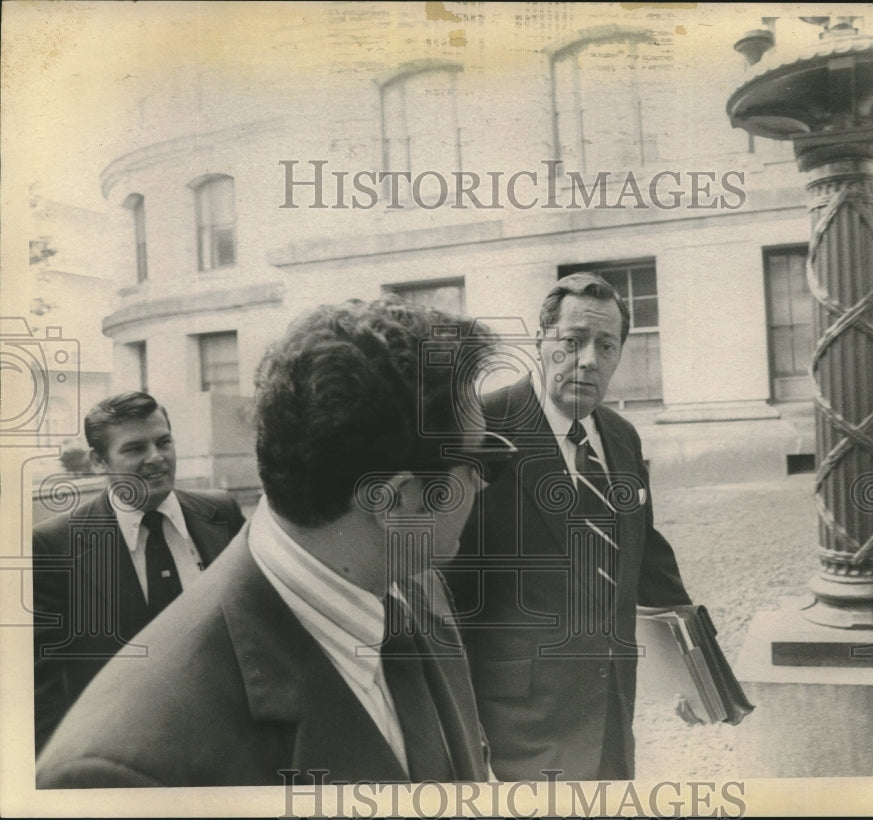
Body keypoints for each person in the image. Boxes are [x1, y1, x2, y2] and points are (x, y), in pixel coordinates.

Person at [36, 298, 507, 788]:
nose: (485, 483)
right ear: (396, 502)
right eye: (482, 461)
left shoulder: (411, 580)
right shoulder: (125, 769)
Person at [445, 272, 691, 781]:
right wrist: (462, 736)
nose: (588, 361)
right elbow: (444, 586)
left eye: (606, 345)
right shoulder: (482, 427)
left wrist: (696, 673)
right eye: (572, 342)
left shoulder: (622, 437)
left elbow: (648, 560)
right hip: (515, 731)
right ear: (540, 340)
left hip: (611, 715)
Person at [32, 391, 245, 754]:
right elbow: (39, 691)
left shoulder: (222, 514)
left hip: (230, 751)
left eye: (164, 442)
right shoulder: (55, 545)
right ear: (99, 462)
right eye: (134, 449)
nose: (156, 458)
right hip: (120, 763)